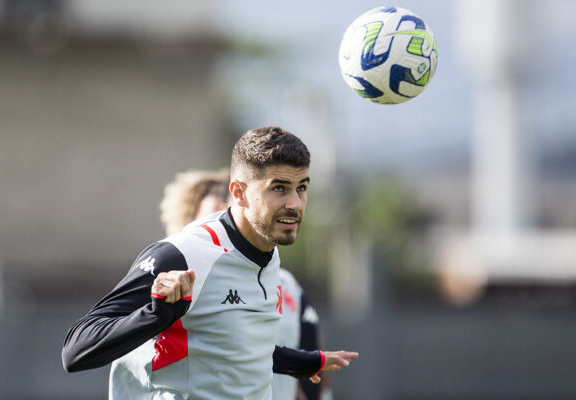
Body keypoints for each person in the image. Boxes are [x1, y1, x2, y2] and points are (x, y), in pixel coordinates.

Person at [62, 127, 357, 400]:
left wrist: (305, 362)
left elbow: (235, 346)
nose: (294, 203)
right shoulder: (183, 254)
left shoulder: (268, 253)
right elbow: (76, 350)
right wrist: (156, 315)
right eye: (279, 188)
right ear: (239, 193)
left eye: (301, 187)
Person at [159, 169, 332, 400]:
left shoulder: (288, 285)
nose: (222, 220)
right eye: (211, 217)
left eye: (227, 210)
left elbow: (312, 369)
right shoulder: (178, 289)